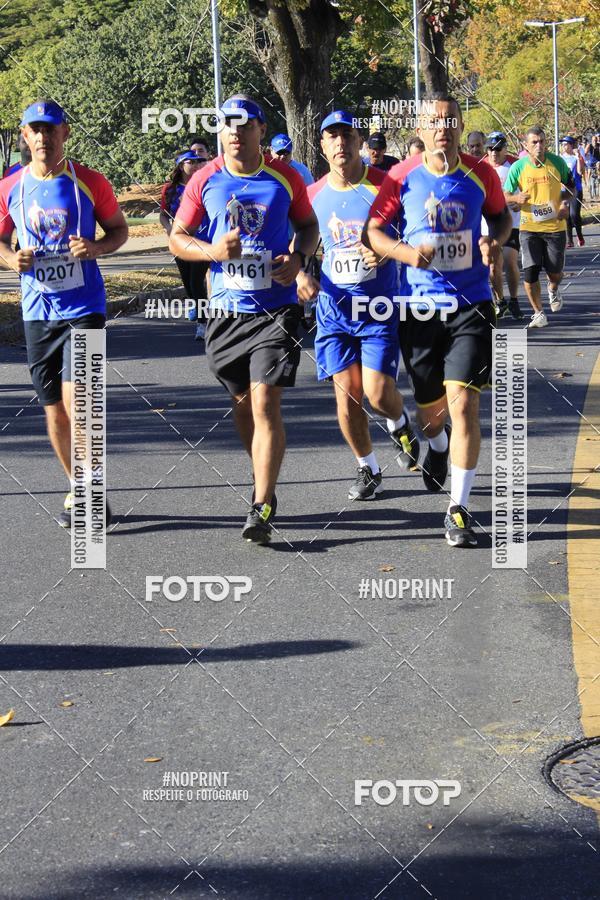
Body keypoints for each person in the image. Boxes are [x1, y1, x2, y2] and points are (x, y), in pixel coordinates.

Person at [169, 94, 319, 544]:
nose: (234, 131)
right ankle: (261, 474)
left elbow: (308, 227)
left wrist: (299, 258)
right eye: (226, 124)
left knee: (265, 403)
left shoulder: (284, 177)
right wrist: (211, 251)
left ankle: (262, 502)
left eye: (244, 124)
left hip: (276, 311)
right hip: (226, 313)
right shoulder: (205, 181)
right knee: (242, 406)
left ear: (259, 128)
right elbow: (177, 237)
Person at [365, 93, 511, 548]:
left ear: (459, 124)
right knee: (431, 413)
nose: (443, 127)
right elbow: (374, 233)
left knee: (464, 403)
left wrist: (493, 244)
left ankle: (459, 508)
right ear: (422, 130)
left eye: (450, 120)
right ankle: (438, 445)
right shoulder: (400, 178)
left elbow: (502, 219)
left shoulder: (480, 172)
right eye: (434, 121)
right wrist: (410, 254)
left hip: (471, 303)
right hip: (419, 307)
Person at [0, 100, 128, 527]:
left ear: (64, 133)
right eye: (34, 130)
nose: (42, 137)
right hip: (37, 310)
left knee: (82, 401)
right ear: (24, 135)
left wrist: (94, 248)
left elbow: (119, 231)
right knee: (53, 406)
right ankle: (81, 486)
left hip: (84, 308)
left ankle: (92, 492)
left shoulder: (88, 182)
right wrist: (10, 259)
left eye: (50, 129)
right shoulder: (10, 187)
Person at [295, 110, 419, 501]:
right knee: (347, 396)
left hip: (379, 308)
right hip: (333, 310)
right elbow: (299, 245)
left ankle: (400, 424)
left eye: (347, 136)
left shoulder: (385, 185)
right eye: (331, 137)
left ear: (359, 140)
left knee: (378, 394)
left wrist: (387, 252)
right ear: (322, 146)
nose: (340, 143)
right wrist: (301, 275)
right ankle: (367, 467)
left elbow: (414, 232)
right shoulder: (313, 195)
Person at [503, 126, 574, 328]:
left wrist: (564, 204)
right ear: (526, 145)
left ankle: (553, 289)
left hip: (555, 228)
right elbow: (505, 195)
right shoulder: (518, 167)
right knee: (530, 271)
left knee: (555, 272)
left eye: (542, 141)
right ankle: (538, 312)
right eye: (534, 142)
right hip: (529, 228)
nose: (539, 145)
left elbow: (571, 189)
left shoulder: (557, 163)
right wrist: (516, 197)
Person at [160, 149, 210, 339]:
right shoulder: (170, 189)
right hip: (180, 242)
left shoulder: (205, 185)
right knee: (188, 284)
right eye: (191, 162)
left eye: (198, 162)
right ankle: (203, 313)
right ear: (181, 165)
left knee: (196, 282)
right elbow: (163, 215)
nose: (196, 165)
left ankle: (202, 323)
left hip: (201, 241)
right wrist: (170, 230)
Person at [484, 132, 523, 320]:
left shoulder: (515, 165)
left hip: (512, 222)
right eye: (490, 149)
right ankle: (500, 301)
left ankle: (514, 299)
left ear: (505, 148)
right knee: (493, 267)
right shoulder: (481, 167)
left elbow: (527, 189)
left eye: (498, 149)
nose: (493, 153)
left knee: (509, 261)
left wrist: (520, 201)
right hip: (489, 225)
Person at [560, 136, 585, 247]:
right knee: (567, 215)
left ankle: (579, 235)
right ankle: (569, 240)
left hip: (576, 189)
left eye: (566, 144)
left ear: (571, 145)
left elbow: (580, 172)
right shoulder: (560, 159)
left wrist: (578, 157)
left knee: (574, 214)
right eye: (563, 144)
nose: (564, 146)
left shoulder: (576, 158)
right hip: (564, 190)